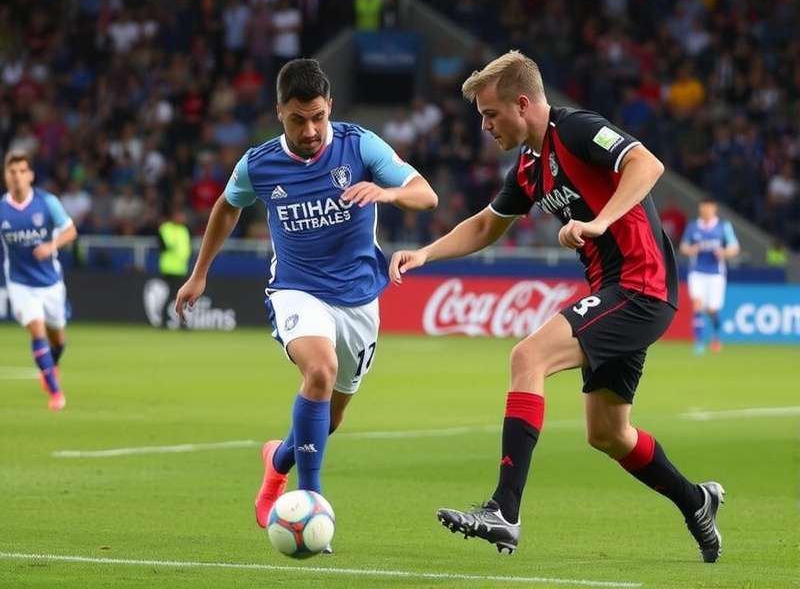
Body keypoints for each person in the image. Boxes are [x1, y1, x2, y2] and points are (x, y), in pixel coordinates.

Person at [390, 51, 724, 562]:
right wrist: (427, 253)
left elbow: (646, 163)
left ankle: (504, 511)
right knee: (608, 434)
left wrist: (599, 222)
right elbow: (484, 224)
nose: (484, 126)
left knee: (528, 356)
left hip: (640, 285)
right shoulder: (528, 167)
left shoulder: (576, 130)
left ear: (522, 104)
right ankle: (696, 500)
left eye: (490, 114)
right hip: (619, 291)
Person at [175, 59, 437, 543]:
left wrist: (386, 191)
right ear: (279, 113)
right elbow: (227, 207)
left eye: (318, 116)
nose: (311, 129)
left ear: (330, 106)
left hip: (359, 296)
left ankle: (277, 461)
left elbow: (426, 194)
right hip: (297, 288)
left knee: (331, 418)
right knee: (319, 370)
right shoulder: (258, 163)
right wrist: (199, 274)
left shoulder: (360, 145)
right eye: (298, 119)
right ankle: (312, 503)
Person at [0, 151, 77, 410]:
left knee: (59, 340)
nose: (17, 177)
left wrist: (51, 244)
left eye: (22, 171)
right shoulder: (1, 209)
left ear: (31, 175)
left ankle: (51, 366)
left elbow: (71, 230)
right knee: (36, 328)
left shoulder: (47, 203)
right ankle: (55, 393)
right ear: (6, 176)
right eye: (12, 172)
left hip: (50, 283)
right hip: (20, 283)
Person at [680, 198, 739, 354]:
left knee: (713, 310)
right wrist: (690, 250)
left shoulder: (723, 227)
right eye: (703, 208)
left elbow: (734, 247)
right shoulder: (693, 226)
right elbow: (683, 246)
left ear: (714, 208)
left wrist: (724, 252)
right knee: (697, 305)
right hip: (697, 272)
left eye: (708, 208)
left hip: (716, 274)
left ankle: (715, 336)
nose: (705, 210)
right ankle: (698, 343)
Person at [157, 207, 192, 329]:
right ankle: (174, 322)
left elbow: (186, 248)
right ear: (174, 216)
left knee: (176, 296)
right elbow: (166, 245)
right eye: (180, 215)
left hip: (181, 268)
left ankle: (168, 321)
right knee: (175, 295)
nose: (183, 218)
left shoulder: (184, 230)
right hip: (169, 268)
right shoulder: (166, 228)